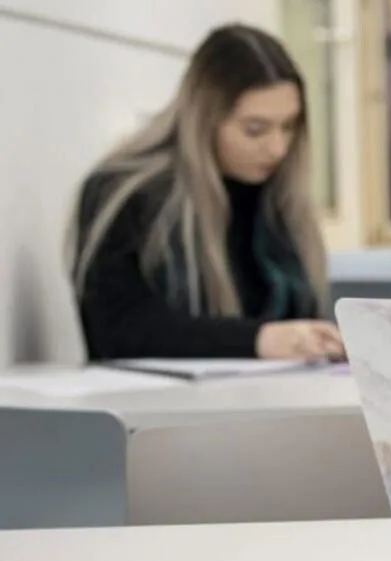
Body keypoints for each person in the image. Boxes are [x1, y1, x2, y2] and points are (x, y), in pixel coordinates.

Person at [68, 24, 344, 362]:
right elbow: (117, 331)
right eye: (254, 130)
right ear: (204, 120)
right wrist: (258, 341)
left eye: (288, 127)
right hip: (164, 410)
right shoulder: (124, 194)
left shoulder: (280, 200)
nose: (277, 148)